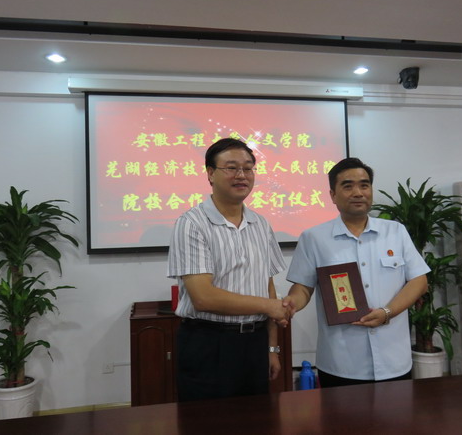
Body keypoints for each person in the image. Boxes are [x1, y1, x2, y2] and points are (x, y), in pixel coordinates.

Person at [283, 157, 429, 387]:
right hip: (341, 362)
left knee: (398, 412)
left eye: (364, 185)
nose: (358, 193)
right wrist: (292, 303)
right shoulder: (314, 238)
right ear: (333, 195)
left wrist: (387, 312)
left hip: (393, 359)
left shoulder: (395, 232)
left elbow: (419, 281)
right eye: (348, 186)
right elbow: (303, 287)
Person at [167, 138, 289, 402]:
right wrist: (269, 306)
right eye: (231, 168)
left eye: (248, 168)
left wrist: (272, 348)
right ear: (210, 173)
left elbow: (267, 287)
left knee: (257, 418)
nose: (241, 175)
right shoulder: (192, 223)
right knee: (208, 420)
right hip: (209, 344)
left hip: (255, 342)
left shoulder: (261, 224)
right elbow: (203, 297)